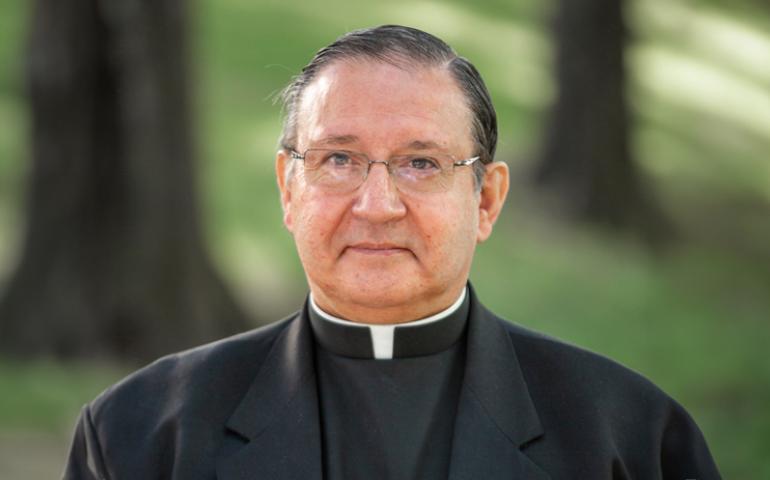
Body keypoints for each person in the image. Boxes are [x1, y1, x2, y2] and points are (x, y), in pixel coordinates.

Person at [63, 25, 720, 479]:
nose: (377, 205)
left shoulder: (630, 439)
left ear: (486, 200)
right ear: (289, 188)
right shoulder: (139, 436)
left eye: (419, 163)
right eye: (339, 158)